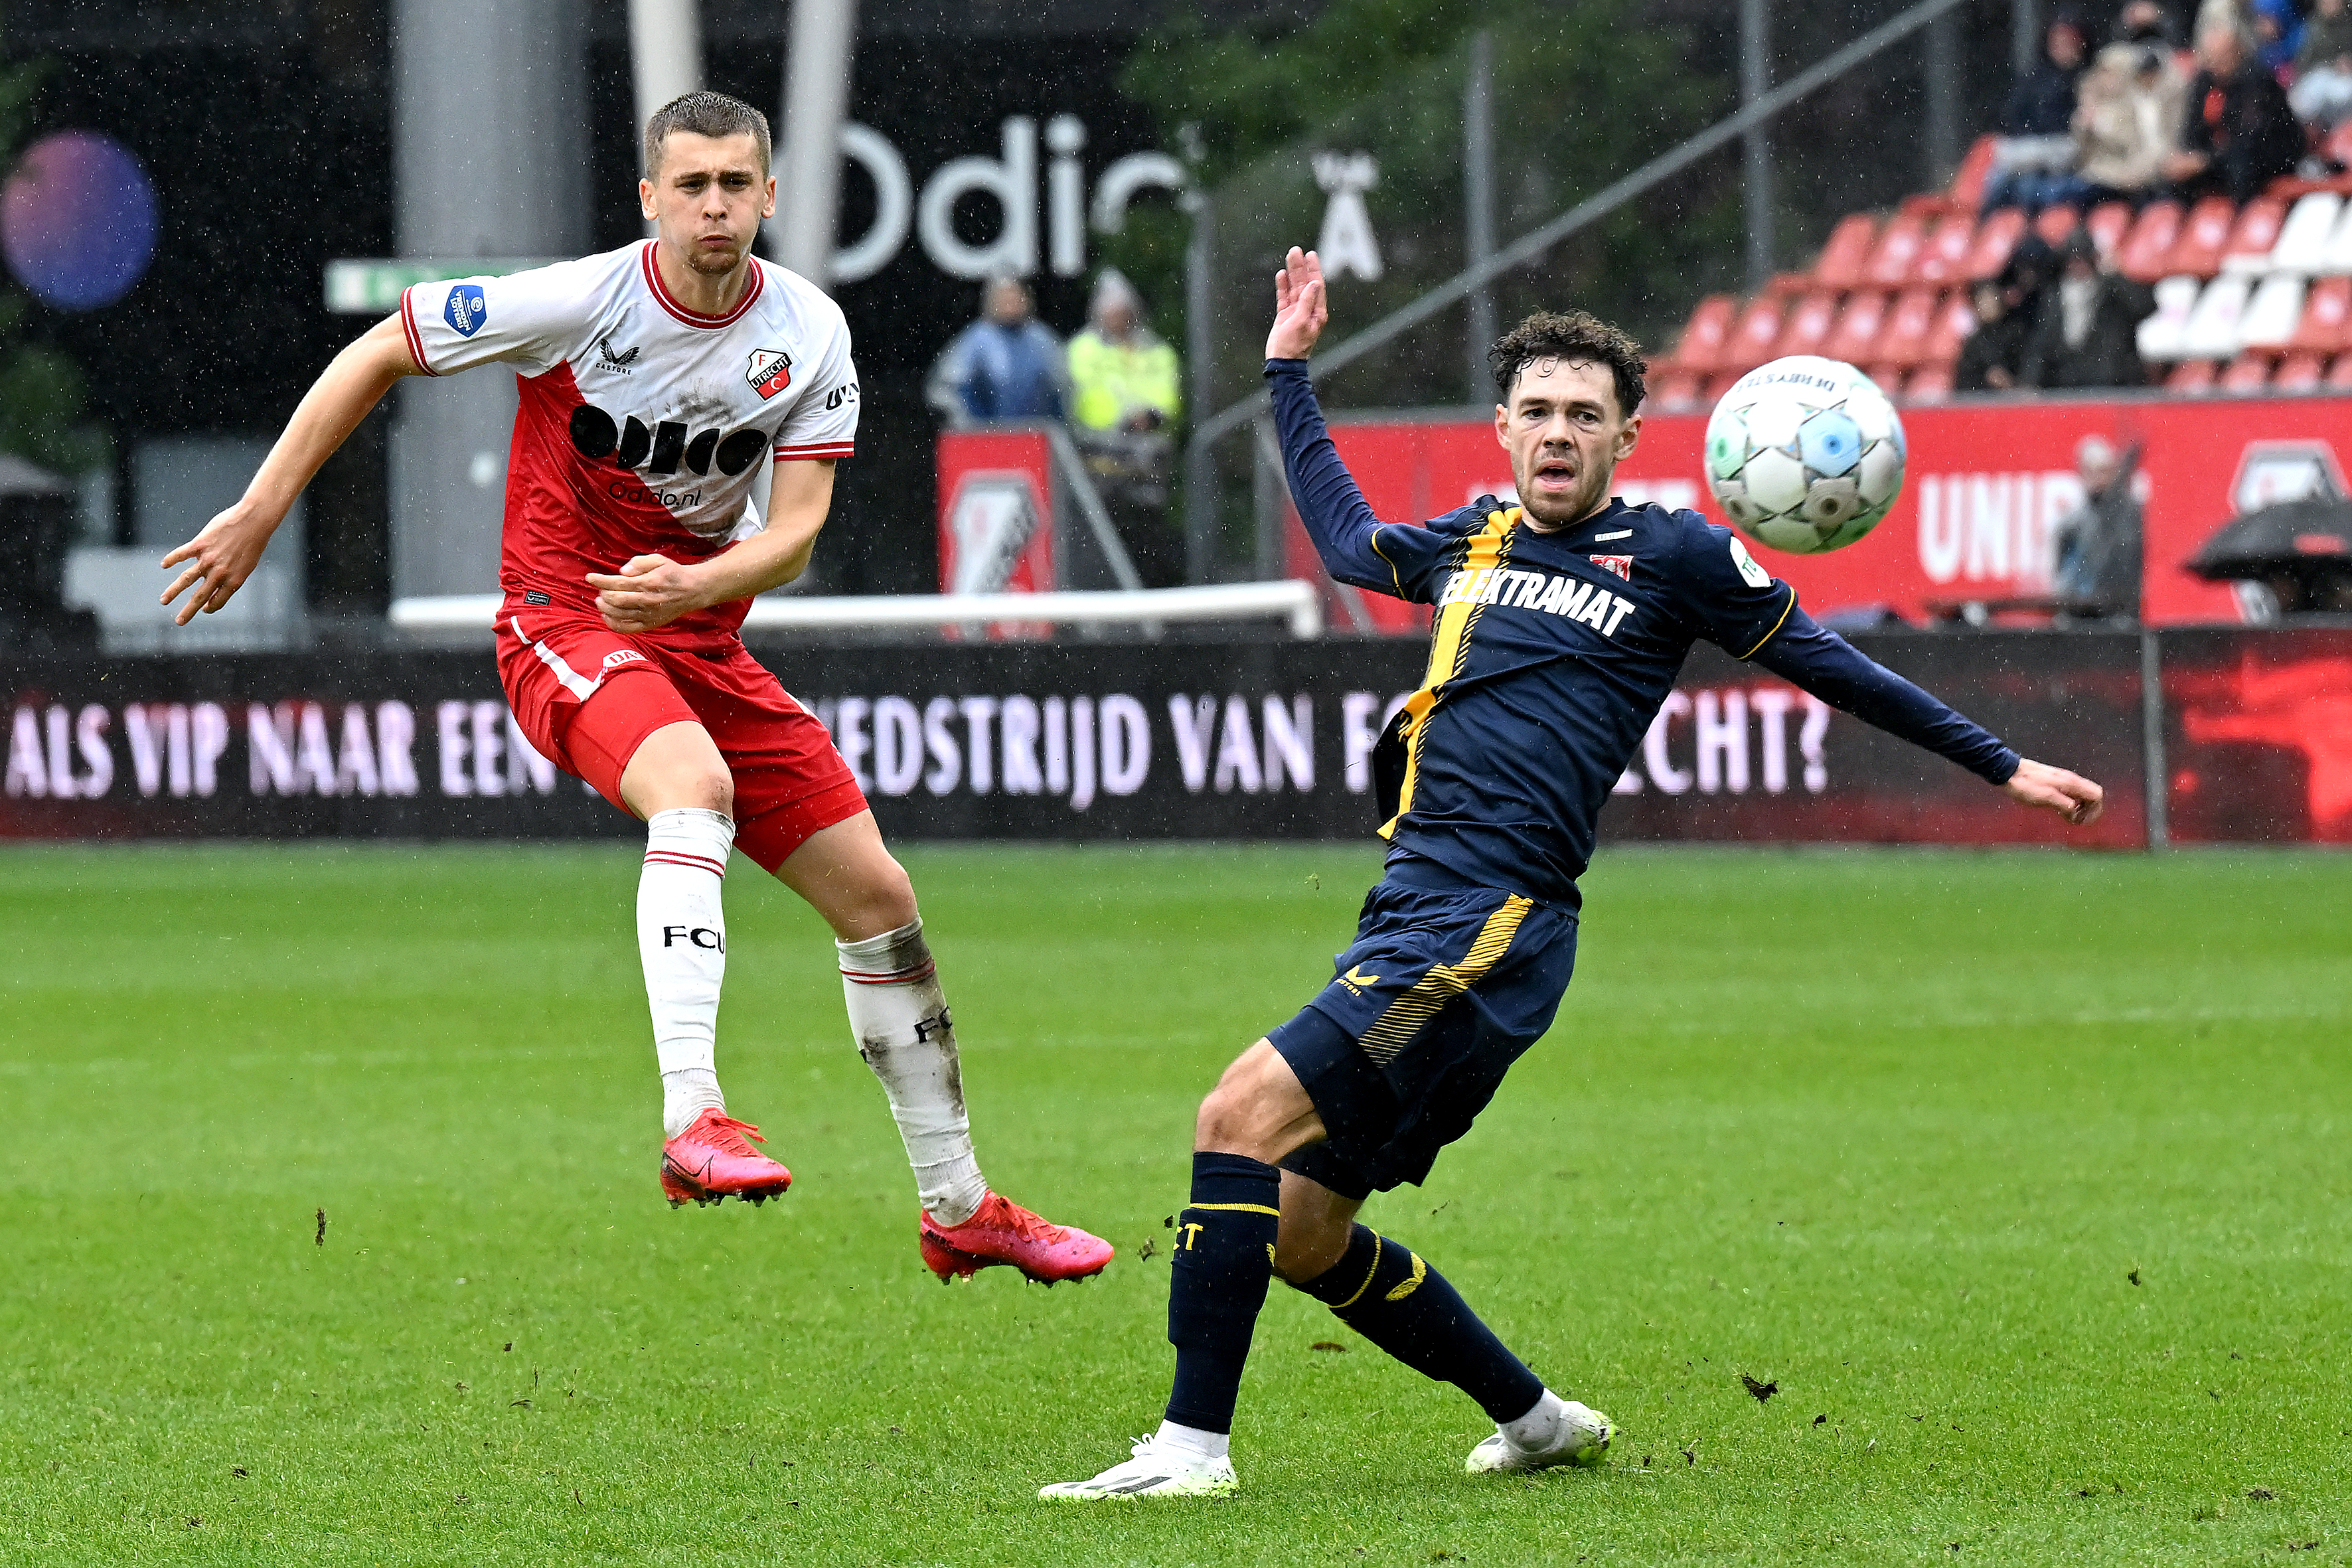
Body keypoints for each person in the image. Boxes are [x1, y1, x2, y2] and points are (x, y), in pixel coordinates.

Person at [1038, 249, 2107, 1500]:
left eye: (1583, 416)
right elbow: (1339, 535)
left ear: (1626, 438)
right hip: (1419, 911)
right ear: (1501, 430)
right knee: (1302, 1230)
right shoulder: (1470, 542)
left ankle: (1189, 1450)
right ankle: (1536, 1419)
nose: (1557, 433)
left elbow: (1832, 665)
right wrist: (1286, 365)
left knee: (1231, 1118)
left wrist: (1998, 764)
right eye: (1536, 411)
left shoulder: (1674, 556)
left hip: (1489, 923)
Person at [157, 92, 1113, 1285]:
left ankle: (959, 1204)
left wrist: (697, 585)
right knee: (692, 786)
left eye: (735, 186)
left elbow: (798, 534)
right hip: (566, 619)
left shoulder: (809, 332)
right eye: (692, 185)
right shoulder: (579, 300)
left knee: (879, 896)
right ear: (651, 198)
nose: (715, 207)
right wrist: (260, 509)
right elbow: (381, 347)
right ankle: (694, 1116)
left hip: (702, 644)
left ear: (769, 197)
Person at [1065, 269, 1184, 584]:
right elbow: (1085, 396)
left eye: (1122, 312)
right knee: (1101, 532)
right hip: (1099, 458)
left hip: (1147, 462)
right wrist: (1121, 418)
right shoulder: (1083, 349)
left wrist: (1148, 414)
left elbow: (1167, 396)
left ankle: (1153, 591)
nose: (1117, 319)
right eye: (1110, 313)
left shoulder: (1156, 352)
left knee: (1147, 535)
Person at [2161, 20, 2306, 202]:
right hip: (2223, 158)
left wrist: (2206, 160)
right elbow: (2193, 129)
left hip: (2270, 156)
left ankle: (2248, 222)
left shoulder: (2257, 81)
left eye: (2220, 59)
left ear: (2236, 53)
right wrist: (2190, 158)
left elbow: (2252, 138)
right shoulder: (2205, 82)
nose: (2214, 66)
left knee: (2242, 169)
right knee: (2174, 179)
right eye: (2210, 59)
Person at [1982, 9, 2092, 213]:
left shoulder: (2087, 78)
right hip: (2031, 150)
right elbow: (2013, 116)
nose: (2062, 48)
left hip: (2065, 156)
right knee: (2000, 179)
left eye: (2068, 42)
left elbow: (2075, 127)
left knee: (2031, 188)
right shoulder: (2035, 78)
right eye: (2057, 42)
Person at [925, 275, 1067, 427]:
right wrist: (966, 425)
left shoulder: (1042, 340)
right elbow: (945, 388)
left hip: (1036, 435)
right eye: (1003, 297)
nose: (1010, 303)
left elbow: (1065, 388)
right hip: (986, 436)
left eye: (1015, 296)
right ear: (990, 301)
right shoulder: (975, 341)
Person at [2022, 228, 2156, 389]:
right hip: (2067, 384)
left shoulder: (2110, 291)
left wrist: (2115, 274)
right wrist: (2030, 381)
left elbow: (2144, 306)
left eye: (2083, 259)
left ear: (2093, 260)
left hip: (2111, 384)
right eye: (2073, 260)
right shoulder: (2054, 296)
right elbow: (2042, 344)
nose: (2078, 265)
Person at [2073, 37, 2191, 203]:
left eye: (2110, 72)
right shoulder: (2092, 98)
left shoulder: (2137, 101)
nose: (2104, 78)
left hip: (2128, 177)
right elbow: (2081, 150)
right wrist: (2084, 123)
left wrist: (2100, 123)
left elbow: (2136, 145)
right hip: (2100, 173)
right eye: (2102, 72)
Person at [2052, 436, 2146, 617]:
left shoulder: (2130, 514)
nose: (2100, 479)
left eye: (2105, 472)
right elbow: (2062, 571)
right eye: (2092, 472)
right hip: (2078, 611)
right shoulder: (2071, 524)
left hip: (2117, 612)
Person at [2290, 0, 2352, 132]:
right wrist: (2331, 65)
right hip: (2322, 77)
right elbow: (2304, 62)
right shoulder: (2314, 26)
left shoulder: (2348, 24)